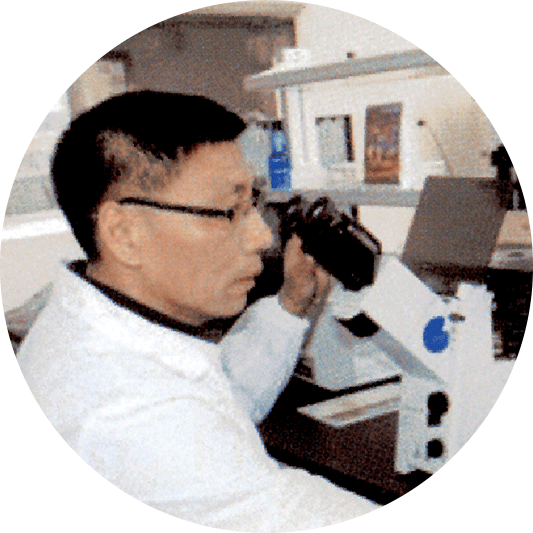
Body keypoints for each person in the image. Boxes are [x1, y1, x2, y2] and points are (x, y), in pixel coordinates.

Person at [17, 91, 378, 532]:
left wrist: (291, 303)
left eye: (252, 203)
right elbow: (281, 513)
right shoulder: (127, 413)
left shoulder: (99, 330)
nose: (262, 237)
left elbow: (223, 402)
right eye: (230, 211)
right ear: (124, 233)